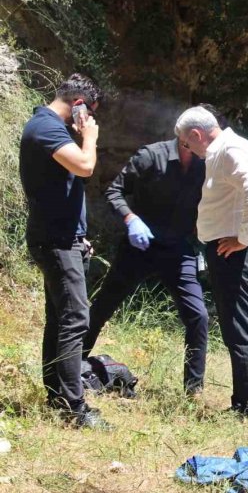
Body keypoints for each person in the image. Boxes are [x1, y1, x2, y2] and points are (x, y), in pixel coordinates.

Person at [82, 133, 209, 395]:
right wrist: (131, 220)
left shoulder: (206, 164)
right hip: (140, 246)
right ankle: (72, 364)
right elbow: (114, 191)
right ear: (188, 138)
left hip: (177, 249)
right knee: (104, 305)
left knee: (198, 316)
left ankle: (193, 390)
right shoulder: (150, 155)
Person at [19, 73, 109, 428]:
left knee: (60, 320)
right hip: (55, 241)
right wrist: (91, 137)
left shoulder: (49, 128)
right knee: (75, 320)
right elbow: (85, 166)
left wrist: (79, 233)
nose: (88, 120)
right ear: (78, 104)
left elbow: (65, 188)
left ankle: (58, 396)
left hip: (62, 237)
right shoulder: (46, 128)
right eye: (88, 112)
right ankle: (74, 409)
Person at [174, 106, 248, 422]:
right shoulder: (221, 151)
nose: (188, 151)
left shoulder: (230, 149)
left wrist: (244, 238)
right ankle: (243, 403)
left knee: (239, 329)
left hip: (236, 250)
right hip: (227, 248)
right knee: (232, 327)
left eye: (186, 145)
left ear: (196, 135)